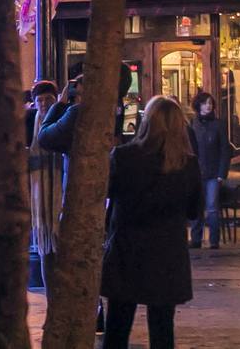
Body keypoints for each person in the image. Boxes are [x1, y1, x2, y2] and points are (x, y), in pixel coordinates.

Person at [100, 95, 202, 349]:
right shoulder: (187, 163)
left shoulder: (124, 157)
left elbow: (106, 195)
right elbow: (194, 210)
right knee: (162, 329)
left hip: (127, 250)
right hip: (167, 254)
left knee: (117, 326)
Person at [26, 80, 66, 287]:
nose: (43, 104)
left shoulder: (62, 123)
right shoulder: (28, 123)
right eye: (39, 100)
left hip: (59, 191)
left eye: (48, 99)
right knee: (46, 250)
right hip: (40, 197)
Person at [188, 92, 231, 249]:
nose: (208, 106)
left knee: (212, 208)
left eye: (211, 103)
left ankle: (214, 241)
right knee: (197, 207)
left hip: (213, 173)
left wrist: (221, 173)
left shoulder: (218, 124)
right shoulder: (193, 124)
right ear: (198, 105)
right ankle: (196, 239)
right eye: (206, 103)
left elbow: (225, 150)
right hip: (197, 172)